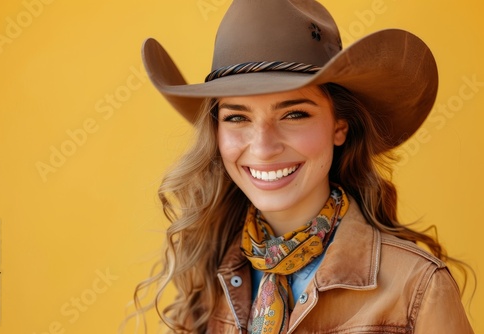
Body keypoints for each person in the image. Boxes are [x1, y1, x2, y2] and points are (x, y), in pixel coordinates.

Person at [135, 0, 474, 333]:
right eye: (237, 117)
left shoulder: (417, 287)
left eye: (294, 114)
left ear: (339, 126)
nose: (264, 148)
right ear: (217, 132)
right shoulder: (206, 277)